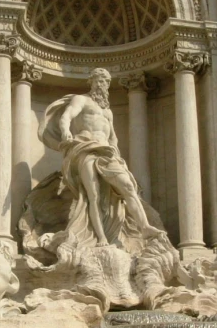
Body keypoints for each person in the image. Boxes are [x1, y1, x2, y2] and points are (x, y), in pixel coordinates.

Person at [38, 68, 162, 251]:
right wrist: (66, 132)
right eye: (99, 80)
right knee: (93, 194)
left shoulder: (108, 112)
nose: (102, 84)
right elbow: (66, 116)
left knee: (128, 186)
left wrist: (118, 157)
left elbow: (113, 138)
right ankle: (100, 237)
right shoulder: (81, 100)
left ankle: (144, 227)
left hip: (108, 152)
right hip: (85, 148)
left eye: (105, 81)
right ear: (91, 81)